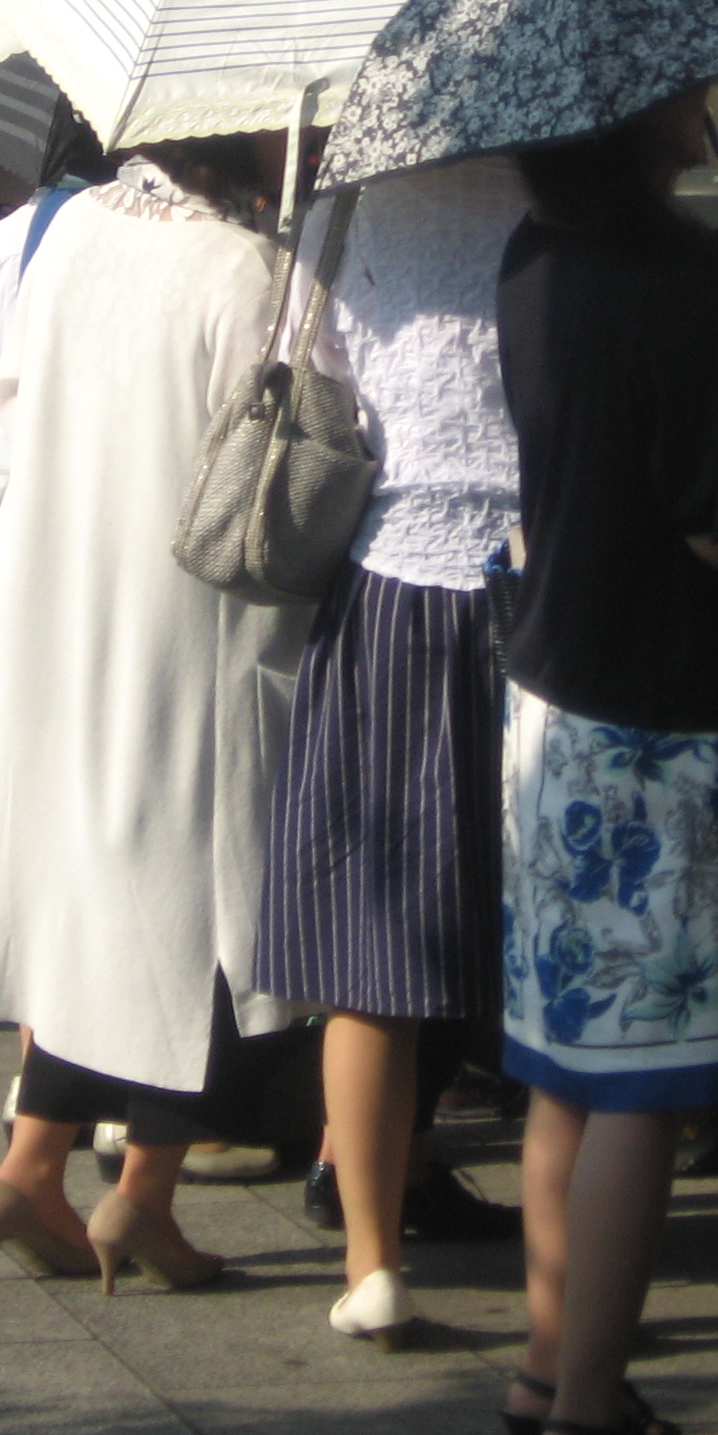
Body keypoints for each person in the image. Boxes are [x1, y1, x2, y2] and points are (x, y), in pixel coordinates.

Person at [490, 88, 718, 1435]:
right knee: (648, 1093)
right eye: (691, 88)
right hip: (664, 717)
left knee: (572, 1063)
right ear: (631, 113)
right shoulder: (672, 282)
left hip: (558, 690)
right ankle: (588, 1410)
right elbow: (716, 522)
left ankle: (551, 1366)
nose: (711, 104)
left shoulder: (537, 257)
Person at [0, 136, 311, 1292]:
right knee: (196, 911)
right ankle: (140, 1194)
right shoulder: (245, 269)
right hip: (182, 617)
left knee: (90, 902)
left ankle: (33, 1163)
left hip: (55, 599)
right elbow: (257, 456)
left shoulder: (70, 235)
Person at [253, 157, 526, 1349]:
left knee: (372, 951)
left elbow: (323, 383)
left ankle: (372, 1260)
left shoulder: (344, 207)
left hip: (390, 585)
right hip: (547, 587)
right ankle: (582, 1271)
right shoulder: (574, 193)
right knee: (548, 932)